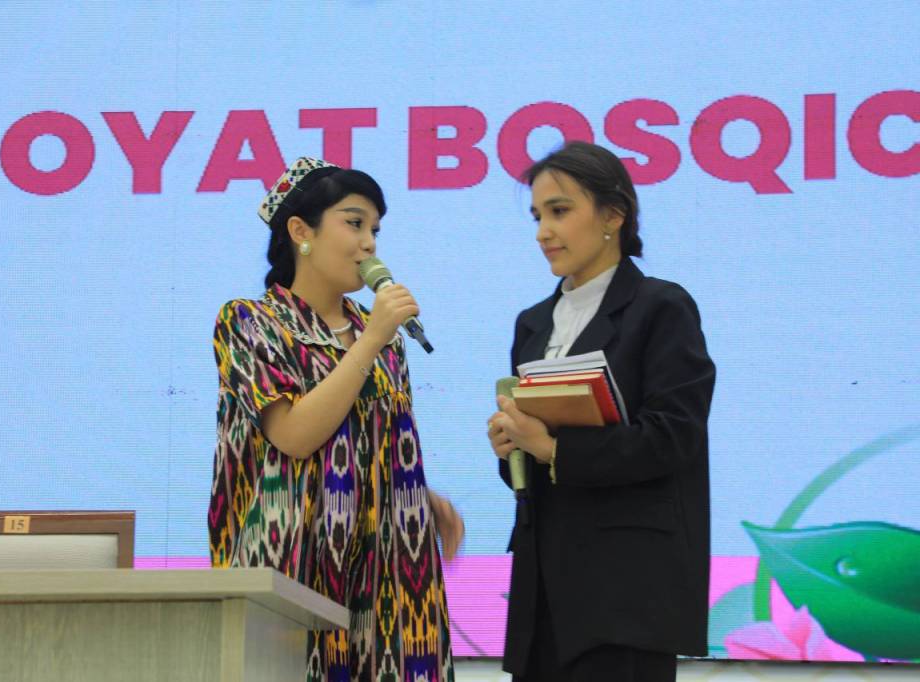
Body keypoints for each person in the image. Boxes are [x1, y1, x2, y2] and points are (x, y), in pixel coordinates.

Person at [209, 157, 462, 681]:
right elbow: (294, 436)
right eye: (354, 223)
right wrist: (371, 341)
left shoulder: (382, 337)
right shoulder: (249, 321)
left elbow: (372, 440)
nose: (369, 244)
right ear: (301, 231)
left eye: (375, 230)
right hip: (293, 565)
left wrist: (417, 495)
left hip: (386, 571)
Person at [486, 142, 715, 682]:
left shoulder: (660, 307)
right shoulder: (532, 323)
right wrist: (512, 445)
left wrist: (553, 448)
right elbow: (532, 465)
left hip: (627, 593)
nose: (544, 231)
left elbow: (673, 437)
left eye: (560, 211)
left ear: (614, 215)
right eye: (538, 216)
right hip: (543, 590)